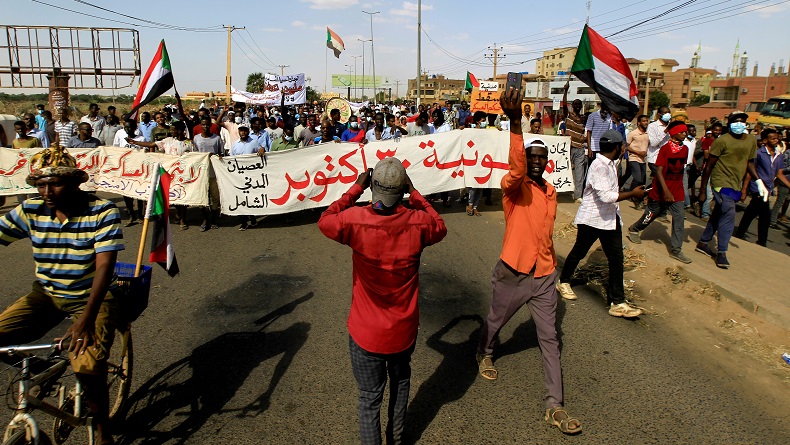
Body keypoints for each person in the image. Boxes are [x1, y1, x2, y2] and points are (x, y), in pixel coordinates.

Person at [0, 144, 124, 445]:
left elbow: (105, 267)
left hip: (90, 296)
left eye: (55, 183)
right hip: (46, 294)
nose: (47, 191)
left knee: (87, 366)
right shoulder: (30, 210)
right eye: (41, 184)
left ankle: (102, 430)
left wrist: (85, 319)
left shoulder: (102, 211)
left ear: (74, 182)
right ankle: (42, 369)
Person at [318, 157, 447, 445]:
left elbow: (325, 219)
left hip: (365, 333)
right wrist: (415, 194)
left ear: (372, 188)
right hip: (402, 331)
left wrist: (354, 189)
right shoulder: (419, 223)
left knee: (369, 399)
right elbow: (440, 224)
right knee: (400, 386)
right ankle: (397, 440)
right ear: (402, 190)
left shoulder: (354, 220)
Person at [476, 87, 581, 436]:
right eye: (531, 157)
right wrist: (515, 124)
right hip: (513, 271)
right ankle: (486, 351)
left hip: (545, 275)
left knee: (550, 338)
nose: (535, 162)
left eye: (540, 158)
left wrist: (551, 269)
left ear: (547, 162)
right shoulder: (513, 187)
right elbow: (517, 166)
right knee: (495, 320)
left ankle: (555, 406)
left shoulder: (551, 191)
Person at [556, 130, 648, 317]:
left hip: (610, 219)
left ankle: (617, 302)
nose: (624, 148)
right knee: (579, 251)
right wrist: (632, 194)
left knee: (616, 259)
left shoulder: (611, 164)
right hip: (592, 219)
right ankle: (563, 281)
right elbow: (606, 196)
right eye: (622, 145)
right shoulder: (598, 166)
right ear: (616, 147)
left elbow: (611, 189)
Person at [696, 112, 764, 268]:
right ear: (730, 123)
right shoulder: (722, 141)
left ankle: (704, 242)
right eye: (736, 121)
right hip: (720, 181)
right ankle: (722, 252)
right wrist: (702, 190)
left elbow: (750, 163)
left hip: (735, 183)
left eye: (742, 122)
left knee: (720, 212)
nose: (739, 124)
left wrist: (758, 181)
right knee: (729, 212)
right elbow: (709, 166)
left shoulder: (751, 140)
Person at [626, 121, 692, 263]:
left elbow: (680, 171)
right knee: (651, 215)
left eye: (685, 132)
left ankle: (676, 250)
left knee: (679, 219)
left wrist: (680, 188)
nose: (684, 134)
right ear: (674, 133)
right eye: (682, 132)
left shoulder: (685, 149)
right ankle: (634, 228)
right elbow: (659, 172)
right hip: (661, 189)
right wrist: (666, 191)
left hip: (677, 191)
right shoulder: (665, 149)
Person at [126, 121, 192, 230]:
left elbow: (194, 157)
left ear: (179, 131)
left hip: (182, 174)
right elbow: (152, 144)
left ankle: (182, 220)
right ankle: (176, 213)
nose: (171, 132)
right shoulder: (168, 141)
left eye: (173, 130)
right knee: (170, 196)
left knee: (182, 197)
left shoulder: (189, 143)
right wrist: (135, 142)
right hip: (168, 173)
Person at [734, 128, 790, 246]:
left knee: (752, 212)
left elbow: (779, 174)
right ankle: (761, 241)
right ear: (765, 140)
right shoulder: (759, 153)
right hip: (757, 187)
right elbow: (750, 172)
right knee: (764, 214)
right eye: (773, 138)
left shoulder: (779, 156)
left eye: (777, 138)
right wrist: (744, 189)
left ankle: (741, 232)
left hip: (768, 189)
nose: (776, 140)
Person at [193, 116, 224, 232]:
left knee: (215, 198)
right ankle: (205, 219)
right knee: (202, 198)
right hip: (202, 174)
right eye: (203, 125)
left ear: (211, 126)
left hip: (214, 173)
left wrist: (217, 156)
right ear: (200, 126)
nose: (205, 127)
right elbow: (195, 155)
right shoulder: (196, 139)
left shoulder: (217, 139)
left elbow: (222, 154)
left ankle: (214, 218)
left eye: (207, 125)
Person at [115, 119, 146, 226]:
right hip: (125, 169)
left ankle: (141, 215)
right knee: (126, 192)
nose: (127, 129)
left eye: (130, 127)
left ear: (135, 128)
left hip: (138, 170)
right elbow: (115, 150)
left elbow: (145, 153)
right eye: (125, 127)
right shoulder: (120, 136)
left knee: (139, 193)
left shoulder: (141, 139)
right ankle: (131, 215)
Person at [562, 83, 587, 203]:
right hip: (569, 147)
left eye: (579, 105)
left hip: (580, 148)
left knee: (579, 173)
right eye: (575, 104)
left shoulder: (584, 119)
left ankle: (577, 195)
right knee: (563, 169)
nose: (577, 106)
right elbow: (563, 105)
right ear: (572, 106)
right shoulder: (569, 115)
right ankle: (560, 189)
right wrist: (565, 91)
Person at [694, 122, 722, 221]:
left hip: (719, 170)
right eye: (715, 130)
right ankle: (705, 214)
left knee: (715, 193)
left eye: (719, 130)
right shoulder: (707, 141)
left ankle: (700, 204)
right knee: (709, 193)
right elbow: (707, 156)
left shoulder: (722, 142)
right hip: (708, 168)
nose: (717, 132)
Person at [626, 115, 650, 208]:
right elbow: (626, 146)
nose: (646, 123)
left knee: (642, 180)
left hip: (643, 160)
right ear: (639, 123)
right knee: (637, 178)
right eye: (643, 121)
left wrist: (645, 152)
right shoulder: (633, 133)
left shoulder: (648, 134)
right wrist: (637, 152)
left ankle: (636, 195)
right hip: (634, 158)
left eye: (647, 121)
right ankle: (632, 195)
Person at [682, 124, 697, 209]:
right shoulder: (683, 141)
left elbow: (693, 154)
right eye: (692, 131)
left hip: (689, 166)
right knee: (684, 185)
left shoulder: (694, 141)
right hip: (683, 166)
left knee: (687, 184)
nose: (694, 132)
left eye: (694, 131)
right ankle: (687, 204)